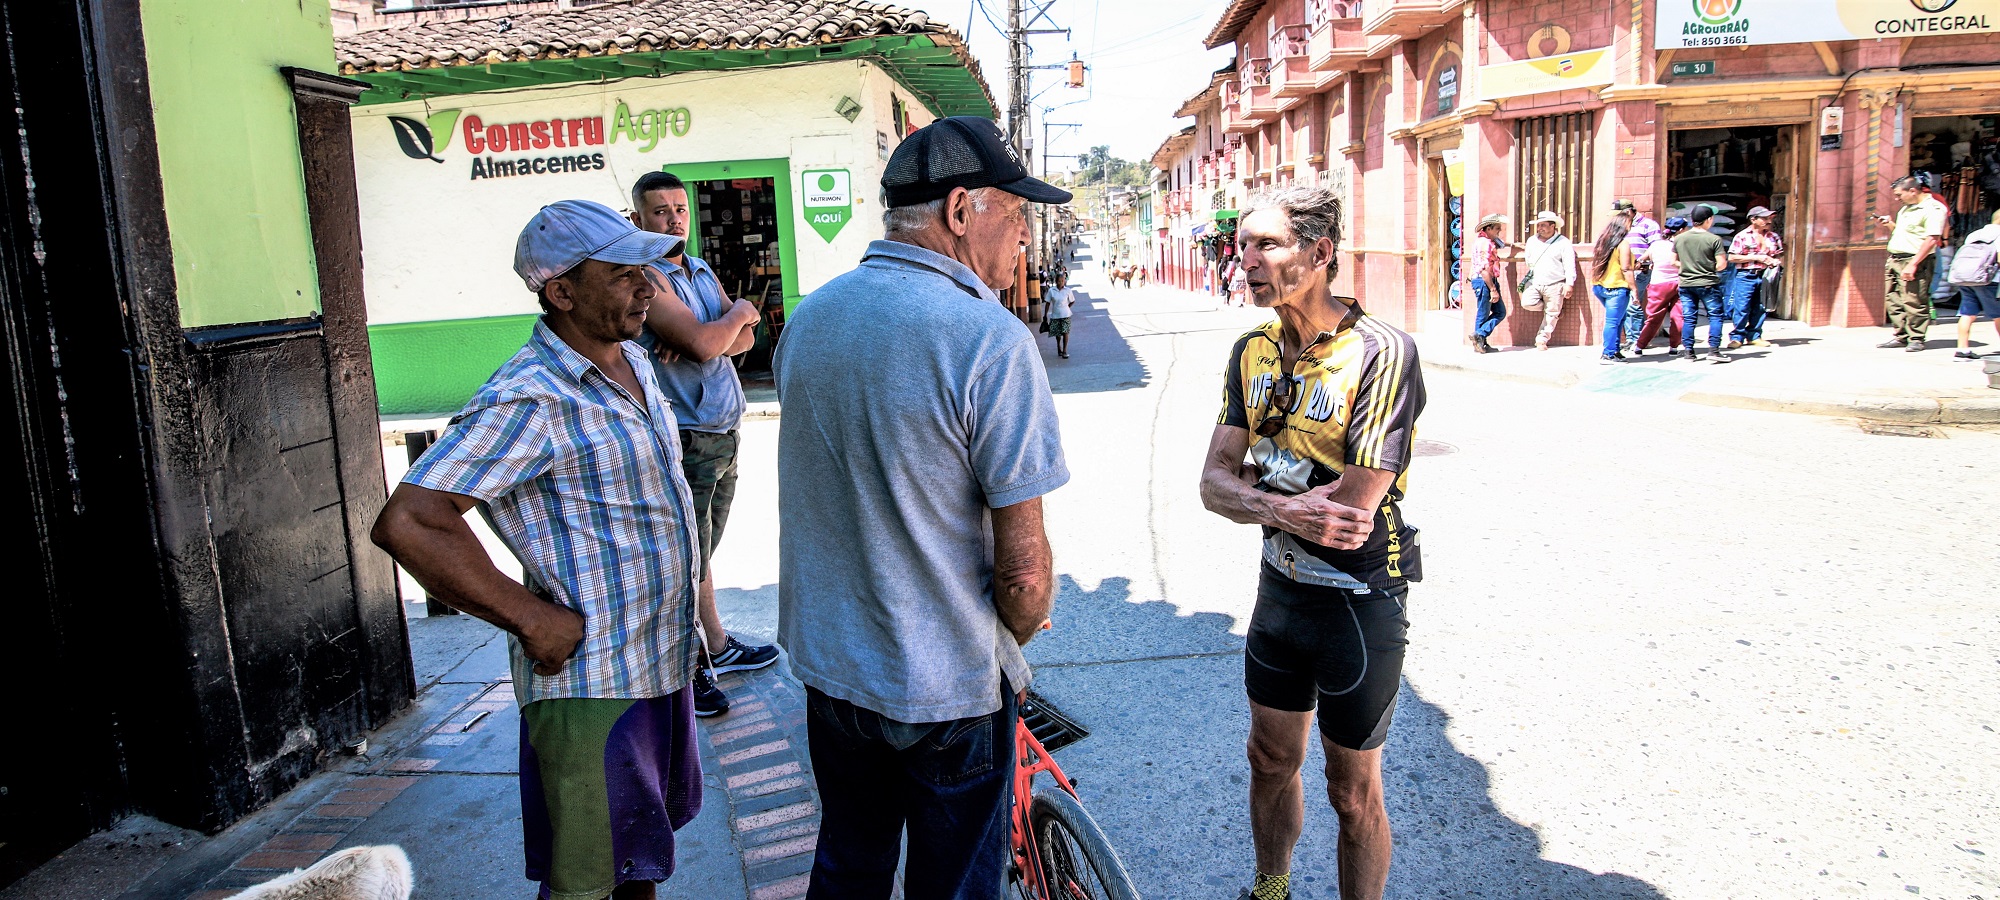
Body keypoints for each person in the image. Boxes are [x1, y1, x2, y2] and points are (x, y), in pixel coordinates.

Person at [773, 116, 1072, 899]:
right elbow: (1024, 569)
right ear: (962, 209)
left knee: (850, 863)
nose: (1023, 242)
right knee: (953, 885)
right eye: (1017, 217)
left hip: (835, 673)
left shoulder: (811, 320)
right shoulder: (988, 339)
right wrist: (1023, 623)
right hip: (943, 687)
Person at [372, 200, 703, 900]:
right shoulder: (531, 395)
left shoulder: (634, 362)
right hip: (593, 684)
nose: (648, 286)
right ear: (562, 292)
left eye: (647, 268)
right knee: (584, 882)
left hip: (657, 664)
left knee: (637, 861)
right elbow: (412, 519)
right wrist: (528, 617)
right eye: (623, 273)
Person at [1199, 184, 1425, 900]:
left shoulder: (1382, 353)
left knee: (1351, 790)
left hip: (1357, 599)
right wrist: (1286, 511)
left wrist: (1253, 499)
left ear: (1321, 254)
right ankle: (1271, 892)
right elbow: (1210, 482)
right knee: (1268, 759)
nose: (1247, 261)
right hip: (1280, 593)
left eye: (1267, 245)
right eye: (1243, 247)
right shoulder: (1251, 351)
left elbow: (1353, 508)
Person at [628, 172, 781, 718]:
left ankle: (716, 647)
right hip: (686, 433)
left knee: (702, 550)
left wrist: (719, 332)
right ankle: (686, 671)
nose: (673, 220)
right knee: (682, 557)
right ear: (639, 218)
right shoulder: (646, 276)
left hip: (723, 426)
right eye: (660, 212)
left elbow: (737, 343)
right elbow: (706, 339)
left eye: (678, 209)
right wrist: (731, 316)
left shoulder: (696, 268)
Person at [1872, 175, 1950, 351]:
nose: (1896, 198)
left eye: (1899, 195)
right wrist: (1890, 224)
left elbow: (1932, 238)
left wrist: (1913, 264)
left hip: (1915, 259)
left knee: (1914, 300)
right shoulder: (1906, 209)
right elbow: (1901, 233)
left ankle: (1916, 337)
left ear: (1912, 191)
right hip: (1895, 258)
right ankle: (1901, 336)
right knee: (1894, 299)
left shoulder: (1933, 208)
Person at [1675, 204, 1732, 363]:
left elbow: (1674, 261)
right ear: (1708, 220)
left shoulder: (1680, 238)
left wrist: (1688, 266)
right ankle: (1713, 350)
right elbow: (1721, 264)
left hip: (1686, 284)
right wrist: (1706, 268)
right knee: (1715, 316)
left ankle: (1688, 352)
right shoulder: (1714, 239)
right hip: (1708, 283)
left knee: (1689, 318)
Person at [1725, 205, 1783, 349]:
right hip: (1746, 275)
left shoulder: (1773, 237)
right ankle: (1737, 336)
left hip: (1765, 275)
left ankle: (1754, 335)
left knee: (1761, 305)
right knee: (1742, 307)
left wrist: (1774, 261)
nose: (1768, 221)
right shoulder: (1742, 236)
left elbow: (1778, 254)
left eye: (1769, 218)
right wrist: (1757, 257)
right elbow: (1732, 257)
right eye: (1764, 218)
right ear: (1753, 219)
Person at [1630, 217, 1689, 354]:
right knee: (1678, 316)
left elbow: (1642, 259)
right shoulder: (1683, 245)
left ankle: (1640, 346)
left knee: (1653, 318)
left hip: (1658, 284)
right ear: (1681, 230)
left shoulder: (1656, 245)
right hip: (1680, 283)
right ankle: (1674, 347)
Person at [1612, 199, 1663, 355]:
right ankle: (1631, 338)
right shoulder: (1619, 227)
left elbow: (1657, 247)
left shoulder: (1649, 225)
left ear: (1628, 213)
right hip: (1623, 270)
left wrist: (1642, 261)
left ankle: (1636, 339)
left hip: (1640, 271)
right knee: (1625, 305)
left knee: (1633, 305)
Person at [1520, 210, 1576, 350]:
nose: (1540, 228)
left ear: (1553, 226)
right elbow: (1528, 260)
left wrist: (1569, 283)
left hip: (1555, 283)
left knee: (1552, 314)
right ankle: (1554, 311)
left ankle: (1542, 339)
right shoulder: (1532, 241)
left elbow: (1569, 264)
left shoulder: (1563, 242)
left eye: (1544, 225)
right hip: (1535, 281)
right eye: (1539, 225)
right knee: (1527, 302)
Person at [1948, 209, 2000, 361]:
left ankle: (1962, 350)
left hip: (1967, 278)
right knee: (1998, 315)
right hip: (1990, 280)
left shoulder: (1975, 234)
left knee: (1967, 314)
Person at [1589, 210, 1637, 364]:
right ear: (1623, 225)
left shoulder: (1604, 242)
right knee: (1613, 321)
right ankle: (1608, 353)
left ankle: (1614, 350)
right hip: (1616, 288)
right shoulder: (1623, 244)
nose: (1631, 226)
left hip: (1600, 286)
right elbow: (1625, 268)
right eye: (1630, 223)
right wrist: (1634, 289)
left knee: (1619, 319)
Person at [1464, 213, 1514, 354]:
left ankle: (1480, 340)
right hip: (1484, 281)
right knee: (1491, 312)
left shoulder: (1485, 241)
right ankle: (1480, 336)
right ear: (1488, 228)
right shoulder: (1485, 244)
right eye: (1497, 228)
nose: (1499, 231)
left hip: (1485, 280)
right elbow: (1485, 270)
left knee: (1490, 312)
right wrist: (1493, 289)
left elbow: (1501, 243)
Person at [1045, 270, 1076, 358]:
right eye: (1059, 281)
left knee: (1065, 332)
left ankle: (1065, 351)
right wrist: (1045, 315)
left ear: (1064, 281)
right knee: (1058, 334)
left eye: (1062, 281)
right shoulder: (1052, 290)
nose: (1061, 283)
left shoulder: (1068, 290)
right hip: (1055, 315)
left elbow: (1072, 301)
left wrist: (1067, 307)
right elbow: (1047, 302)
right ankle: (1059, 347)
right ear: (1056, 281)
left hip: (1066, 315)